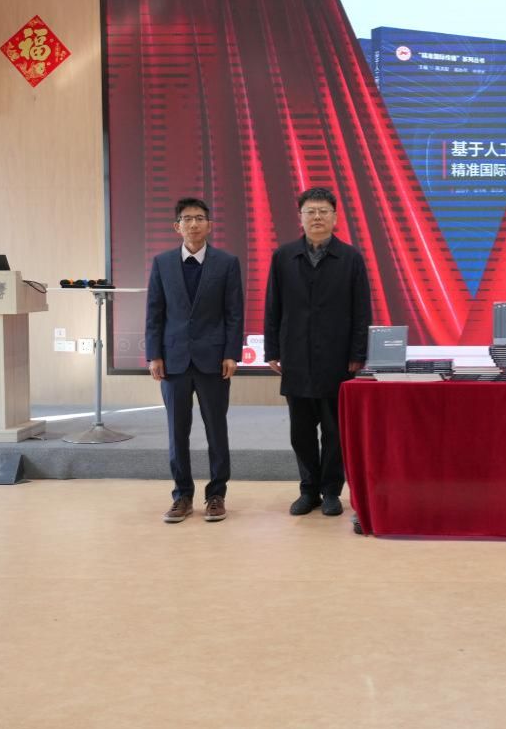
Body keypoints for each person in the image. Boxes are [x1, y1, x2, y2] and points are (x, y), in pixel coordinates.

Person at [264, 188, 372, 518]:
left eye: (323, 211)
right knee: (301, 431)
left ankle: (331, 492)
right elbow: (273, 307)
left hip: (337, 358)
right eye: (310, 211)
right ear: (300, 217)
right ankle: (308, 490)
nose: (317, 217)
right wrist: (272, 349)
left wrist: (358, 353)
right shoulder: (283, 257)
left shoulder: (350, 258)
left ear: (335, 217)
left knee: (335, 432)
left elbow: (362, 311)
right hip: (296, 356)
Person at [145, 197, 244, 523]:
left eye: (200, 218)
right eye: (187, 219)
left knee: (216, 429)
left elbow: (234, 313)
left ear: (209, 225)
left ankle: (216, 495)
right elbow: (154, 312)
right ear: (177, 226)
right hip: (173, 360)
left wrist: (231, 353)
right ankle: (182, 496)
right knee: (177, 432)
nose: (193, 224)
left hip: (213, 360)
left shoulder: (227, 263)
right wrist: (154, 354)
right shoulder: (162, 263)